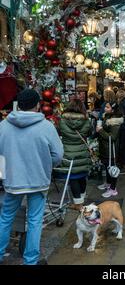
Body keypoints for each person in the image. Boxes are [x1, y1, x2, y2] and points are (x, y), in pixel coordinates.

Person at [0, 89, 63, 265]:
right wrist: (44, 164)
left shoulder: (3, 126)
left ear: (18, 105)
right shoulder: (46, 126)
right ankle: (30, 261)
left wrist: (3, 175)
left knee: (6, 217)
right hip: (38, 180)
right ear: (38, 105)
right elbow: (57, 155)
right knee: (34, 221)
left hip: (13, 181)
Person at [58, 99, 92, 210]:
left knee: (73, 177)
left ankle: (78, 204)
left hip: (68, 152)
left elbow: (59, 132)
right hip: (82, 151)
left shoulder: (62, 120)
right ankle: (81, 201)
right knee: (82, 176)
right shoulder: (86, 120)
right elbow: (90, 133)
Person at [97, 102, 124, 198]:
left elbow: (112, 137)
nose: (105, 108)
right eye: (105, 106)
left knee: (112, 168)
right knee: (107, 166)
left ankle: (113, 189)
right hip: (105, 148)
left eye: (107, 107)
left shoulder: (114, 121)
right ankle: (108, 184)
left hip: (111, 149)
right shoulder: (107, 117)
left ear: (113, 110)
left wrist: (100, 131)